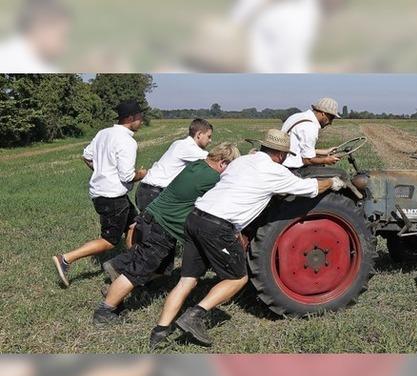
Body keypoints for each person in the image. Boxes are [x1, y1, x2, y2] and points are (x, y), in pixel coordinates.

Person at [149, 129, 345, 348]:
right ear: (280, 155)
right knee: (237, 278)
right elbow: (309, 188)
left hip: (195, 217)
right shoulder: (274, 171)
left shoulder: (241, 162)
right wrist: (332, 182)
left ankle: (159, 332)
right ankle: (195, 315)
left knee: (187, 280)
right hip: (217, 225)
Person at [93, 143, 241, 327]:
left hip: (150, 217)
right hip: (162, 227)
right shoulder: (212, 177)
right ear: (223, 163)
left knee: (140, 262)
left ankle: (117, 269)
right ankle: (105, 310)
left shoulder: (197, 164)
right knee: (138, 271)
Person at [52, 100, 147, 287]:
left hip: (106, 194)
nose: (142, 120)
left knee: (134, 223)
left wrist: (101, 172)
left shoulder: (104, 133)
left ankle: (130, 264)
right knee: (110, 240)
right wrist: (142, 174)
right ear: (130, 118)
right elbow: (127, 175)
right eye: (139, 116)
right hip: (112, 197)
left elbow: (86, 156)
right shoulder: (127, 141)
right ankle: (65, 259)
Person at [135, 118, 213, 212]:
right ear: (199, 134)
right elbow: (214, 161)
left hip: (147, 190)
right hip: (153, 193)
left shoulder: (179, 143)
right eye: (208, 136)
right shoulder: (187, 147)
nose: (210, 140)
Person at [0, 0, 70, 72]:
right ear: (42, 27)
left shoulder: (46, 67)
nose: (65, 48)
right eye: (62, 37)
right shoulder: (5, 61)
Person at [281, 97, 341, 170]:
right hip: (292, 168)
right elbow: (307, 160)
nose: (331, 123)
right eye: (331, 118)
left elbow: (299, 148)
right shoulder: (310, 127)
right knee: (339, 174)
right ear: (323, 113)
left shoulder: (297, 116)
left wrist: (325, 152)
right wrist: (326, 160)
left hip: (283, 161)